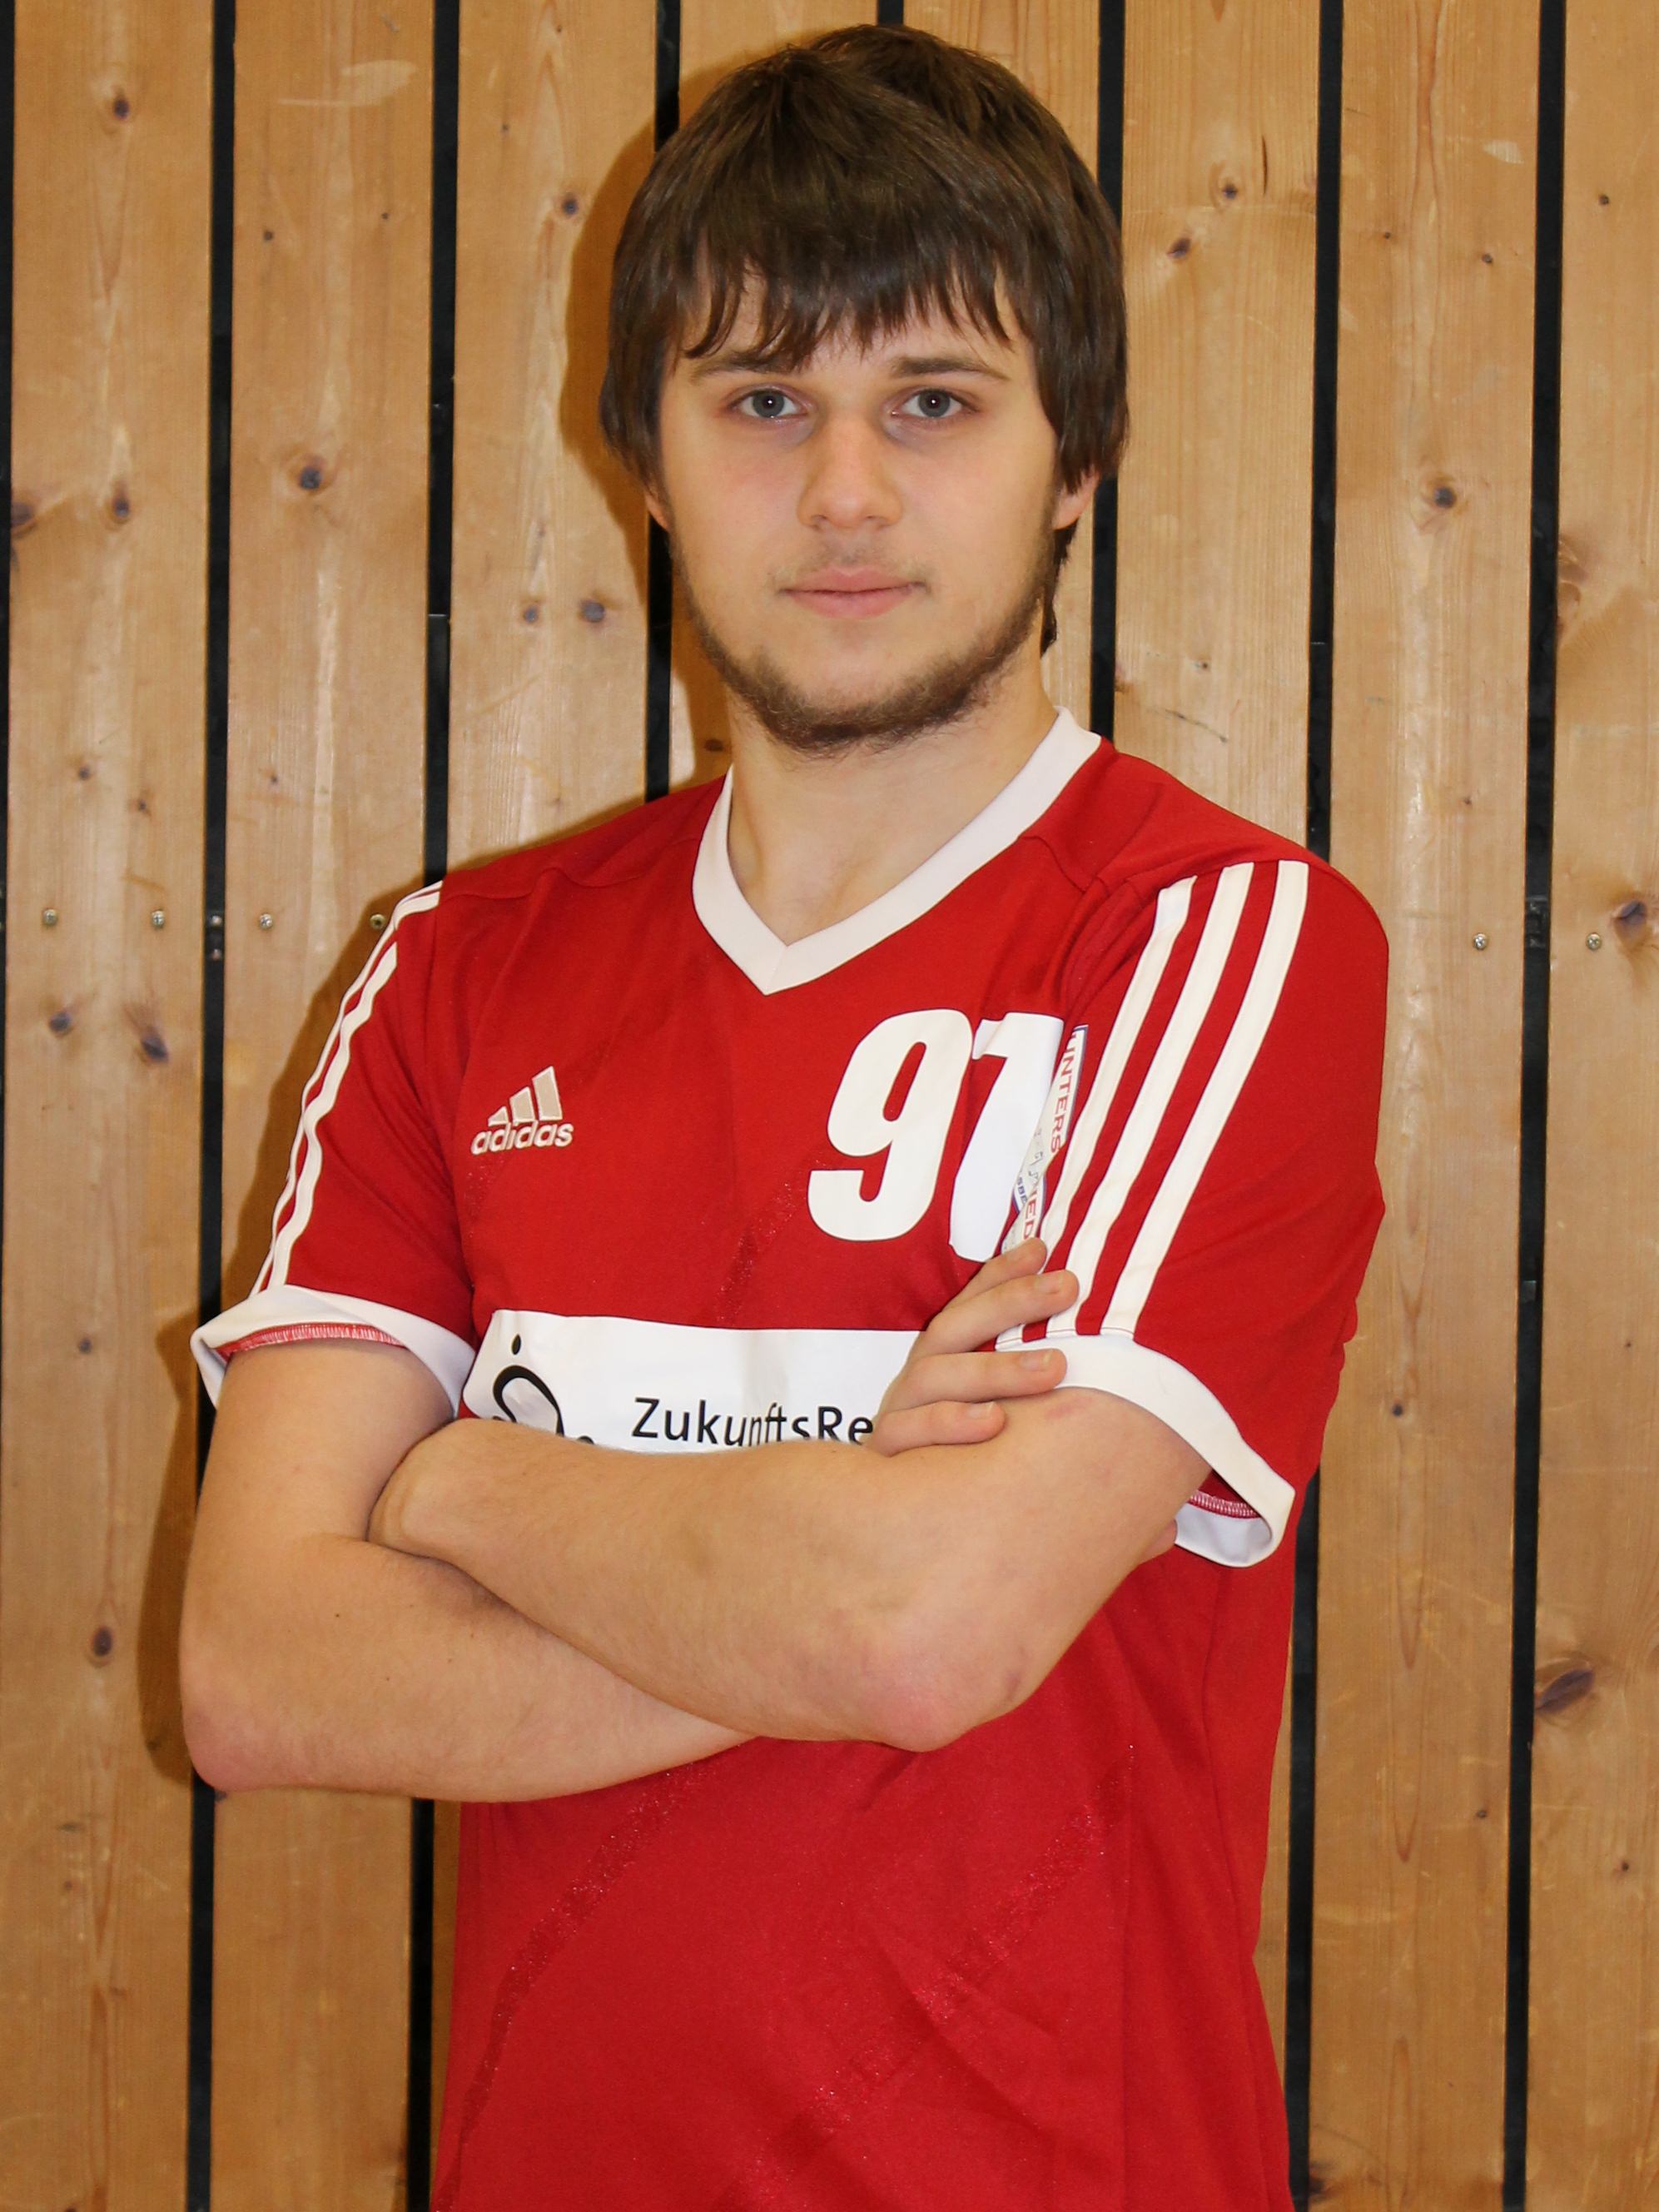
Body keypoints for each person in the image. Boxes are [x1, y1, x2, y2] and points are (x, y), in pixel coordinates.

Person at [180, 24, 1387, 2211]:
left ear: (1075, 455)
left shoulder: (1210, 941)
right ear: (644, 459)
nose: (843, 492)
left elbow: (930, 1633)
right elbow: (258, 1672)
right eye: (759, 402)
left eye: (932, 402)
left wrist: (455, 1481)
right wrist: (826, 1536)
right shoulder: (460, 968)